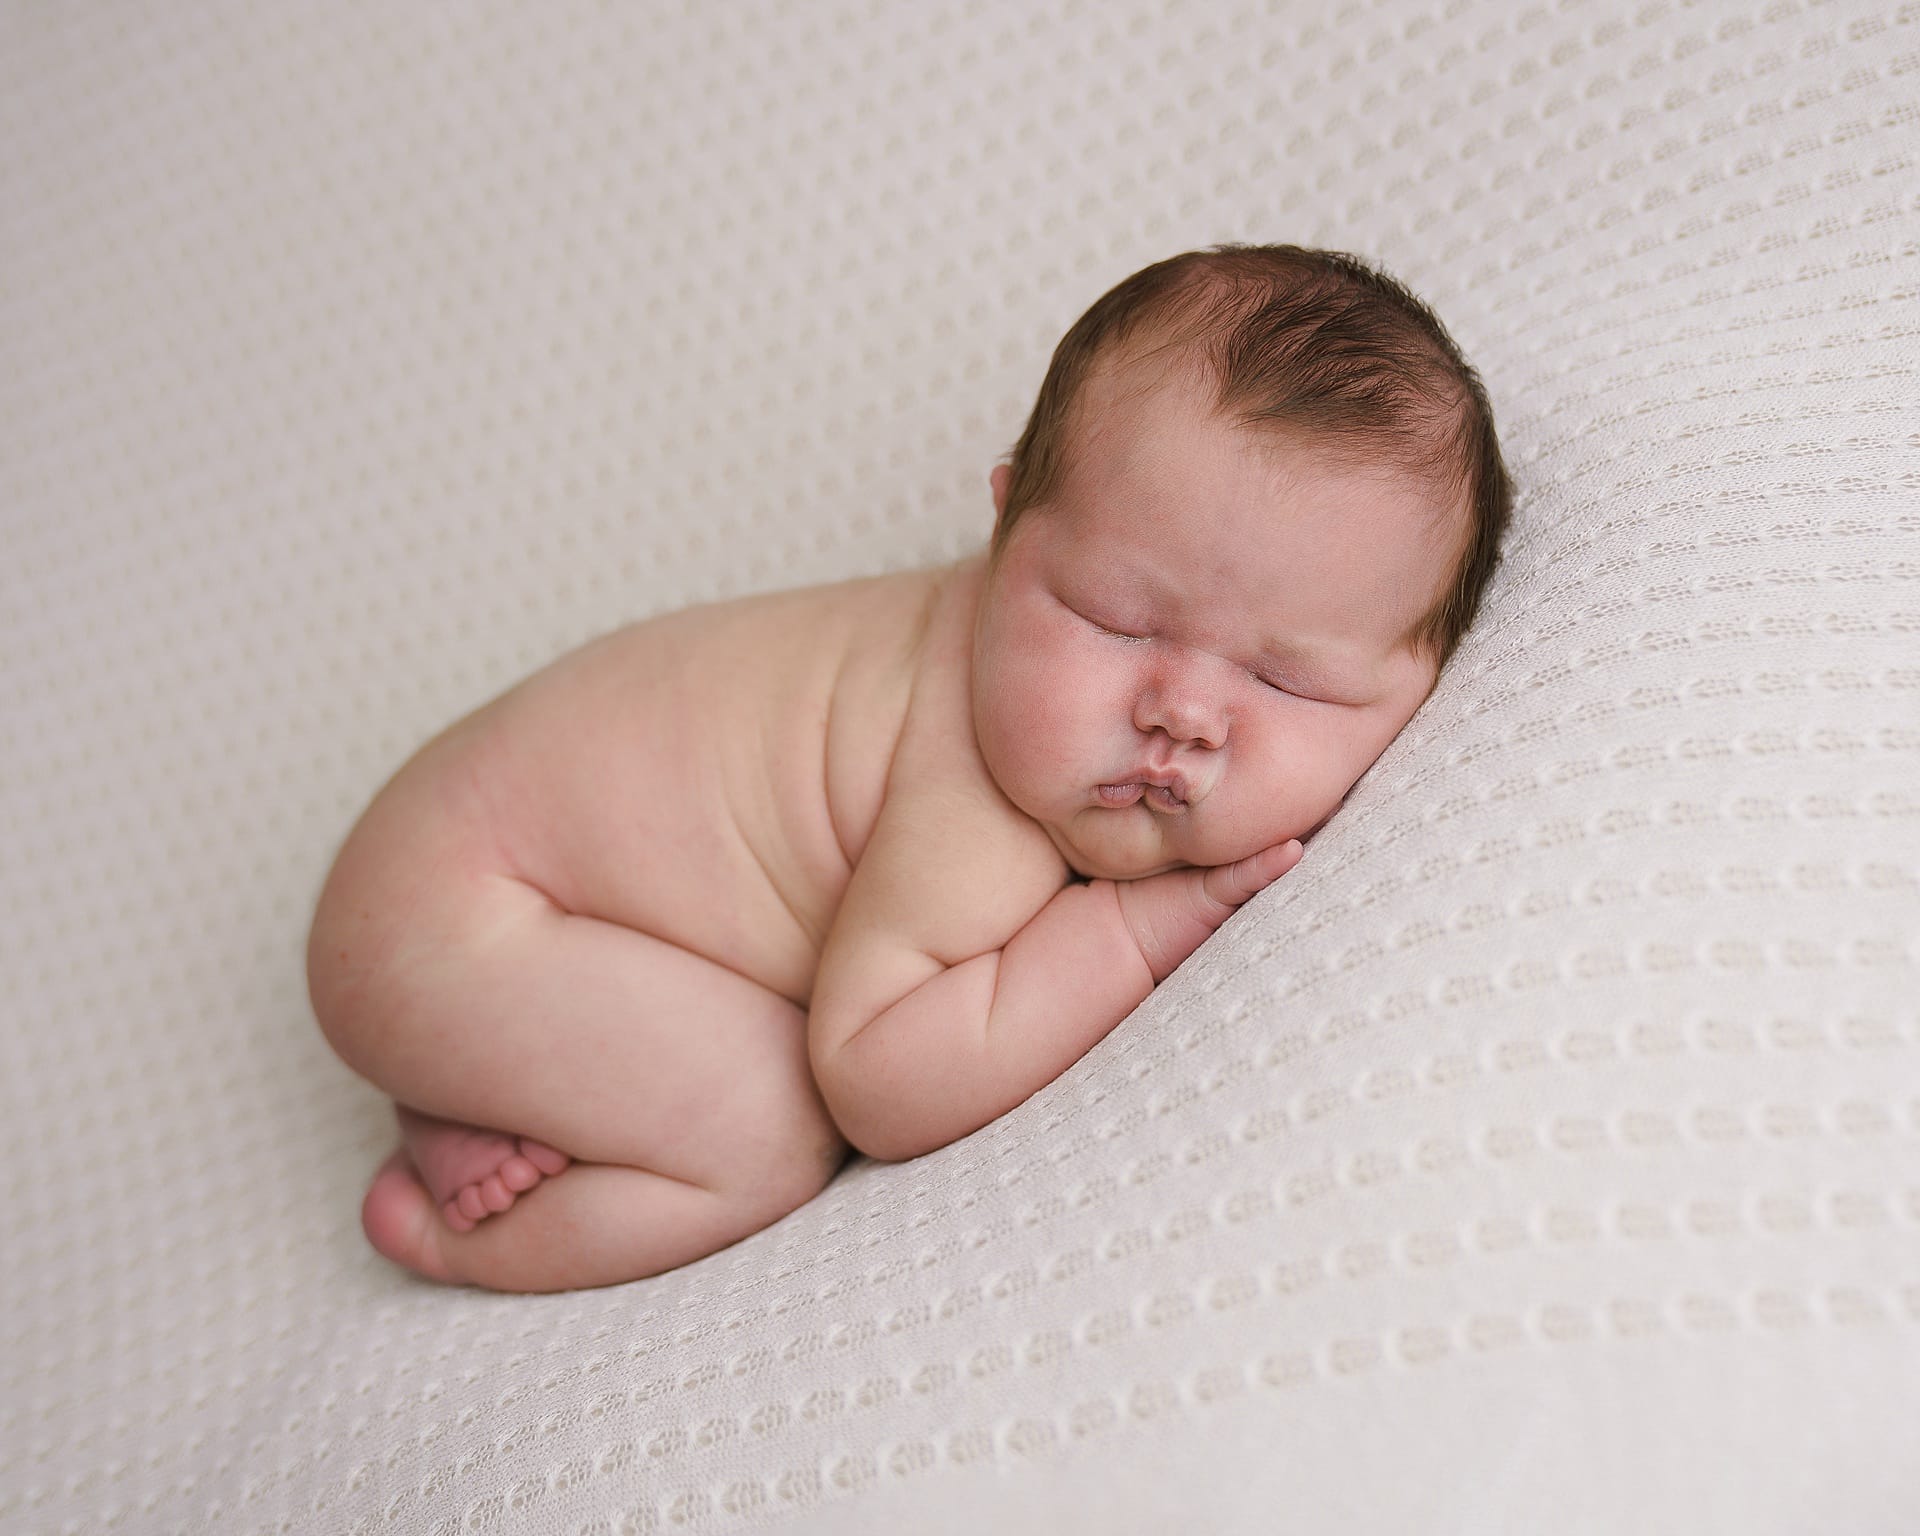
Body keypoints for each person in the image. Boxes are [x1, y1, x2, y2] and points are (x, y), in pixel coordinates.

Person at [307, 244, 1513, 1292]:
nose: (1183, 714)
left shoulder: (1064, 689)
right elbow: (878, 1084)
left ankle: (504, 1080)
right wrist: (1130, 933)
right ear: (1004, 530)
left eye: (1286, 682)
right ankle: (446, 1233)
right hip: (459, 911)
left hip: (492, 882)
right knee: (768, 1132)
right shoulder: (970, 798)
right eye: (1116, 619)